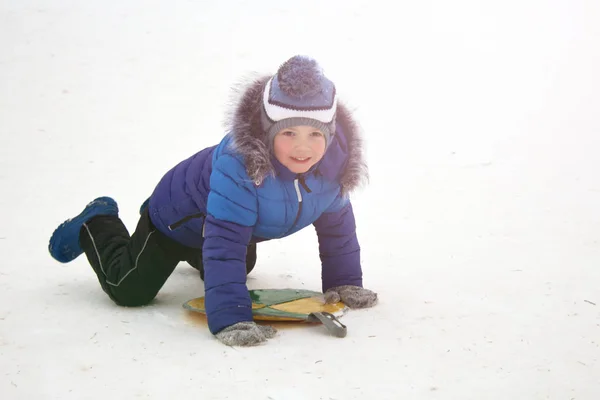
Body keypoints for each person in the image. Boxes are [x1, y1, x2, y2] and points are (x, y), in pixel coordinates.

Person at [48, 55, 378, 346]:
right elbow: (224, 245)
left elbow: (338, 230)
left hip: (227, 224)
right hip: (176, 219)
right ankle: (97, 221)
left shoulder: (333, 169)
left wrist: (344, 282)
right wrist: (232, 316)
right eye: (289, 134)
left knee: (241, 267)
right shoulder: (240, 167)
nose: (303, 148)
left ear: (331, 135)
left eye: (315, 134)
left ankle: (198, 257)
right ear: (267, 132)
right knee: (129, 289)